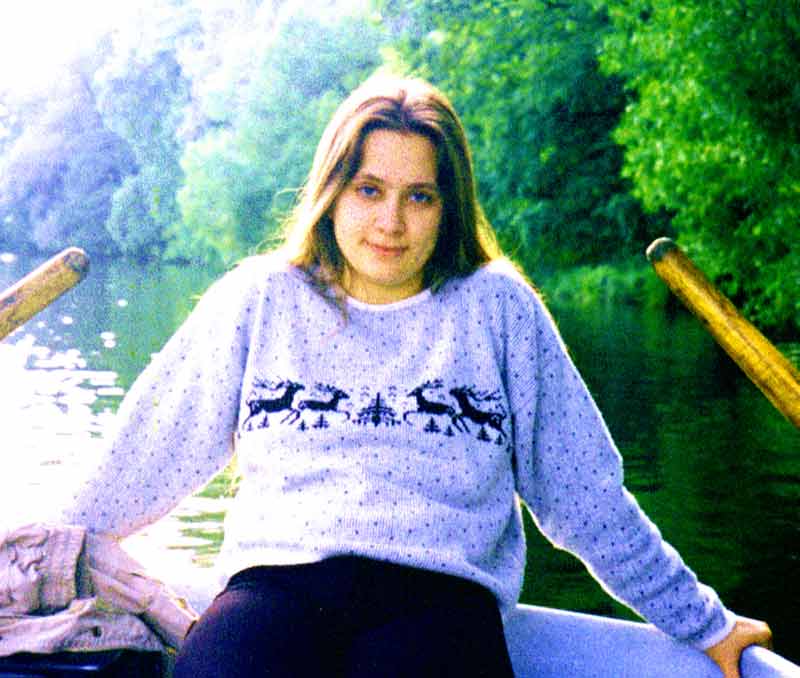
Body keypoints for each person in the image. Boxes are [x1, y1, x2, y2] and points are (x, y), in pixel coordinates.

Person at [60, 73, 771, 677]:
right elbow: (144, 455)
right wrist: (41, 553)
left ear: (448, 205)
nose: (391, 222)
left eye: (419, 196)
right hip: (275, 589)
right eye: (369, 190)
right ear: (332, 192)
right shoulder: (262, 297)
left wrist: (703, 623)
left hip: (439, 598)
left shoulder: (497, 308)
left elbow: (584, 497)